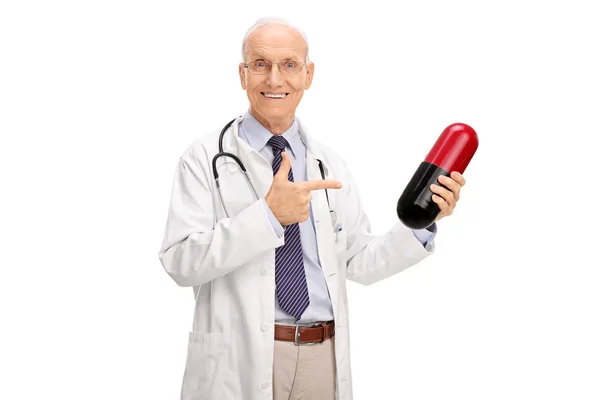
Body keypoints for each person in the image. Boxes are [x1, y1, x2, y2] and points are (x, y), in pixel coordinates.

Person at [158, 16, 466, 400]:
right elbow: (179, 261)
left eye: (289, 65)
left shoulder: (329, 164)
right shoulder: (203, 158)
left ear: (308, 75)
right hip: (240, 358)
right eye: (260, 65)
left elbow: (358, 260)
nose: (274, 79)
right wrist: (267, 216)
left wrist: (424, 222)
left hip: (323, 356)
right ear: (242, 75)